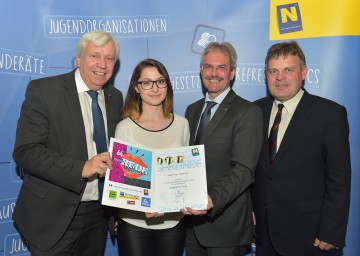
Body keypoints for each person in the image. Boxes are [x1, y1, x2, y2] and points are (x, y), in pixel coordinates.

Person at [12, 31, 123, 255]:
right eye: (95, 56)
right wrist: (82, 168)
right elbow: (26, 151)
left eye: (109, 58)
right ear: (79, 59)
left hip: (98, 216)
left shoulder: (115, 97)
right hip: (52, 215)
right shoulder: (44, 91)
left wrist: (118, 209)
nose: (102, 64)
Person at [252, 41, 351, 256]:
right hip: (264, 235)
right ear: (266, 75)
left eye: (288, 70)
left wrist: (331, 232)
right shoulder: (255, 111)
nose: (280, 77)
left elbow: (339, 179)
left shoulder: (329, 114)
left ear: (303, 72)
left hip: (310, 237)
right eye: (273, 71)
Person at [182, 42, 263, 256]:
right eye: (208, 67)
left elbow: (243, 170)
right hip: (192, 225)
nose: (214, 73)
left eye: (221, 68)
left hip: (226, 225)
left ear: (233, 72)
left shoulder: (247, 112)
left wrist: (211, 199)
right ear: (201, 71)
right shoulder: (192, 110)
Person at [114, 58, 190, 256]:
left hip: (173, 222)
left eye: (160, 81)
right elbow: (120, 184)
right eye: (146, 82)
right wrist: (142, 208)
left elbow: (186, 177)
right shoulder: (124, 128)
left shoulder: (182, 124)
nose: (155, 88)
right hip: (134, 223)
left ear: (167, 85)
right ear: (136, 88)